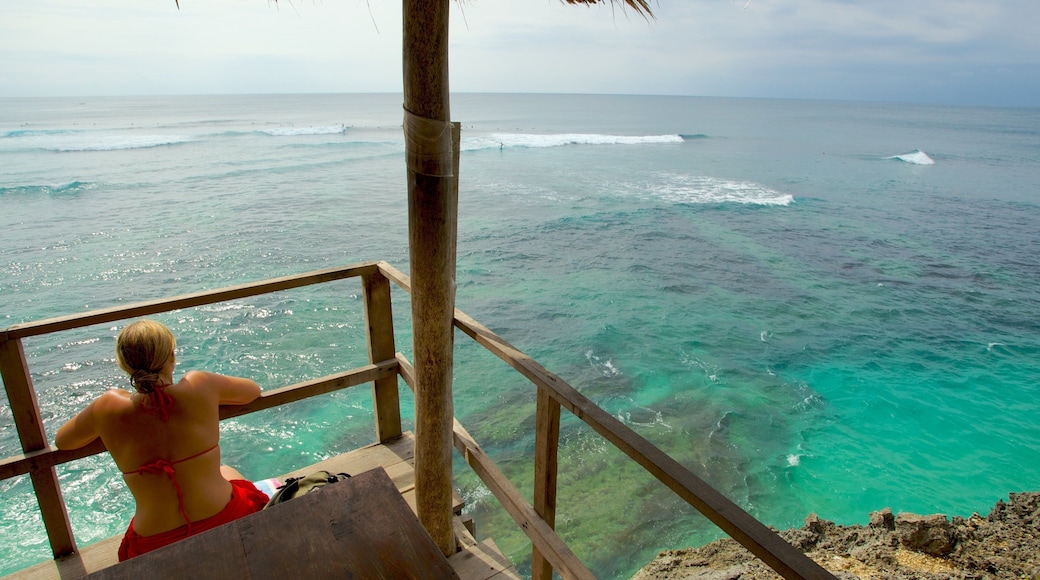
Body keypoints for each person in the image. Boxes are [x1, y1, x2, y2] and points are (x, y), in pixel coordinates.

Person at [55, 319, 269, 561]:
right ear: (172, 357)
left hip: (154, 541)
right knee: (227, 470)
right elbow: (252, 390)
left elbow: (63, 441)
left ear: (124, 365)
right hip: (223, 516)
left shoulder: (107, 406)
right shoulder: (200, 385)